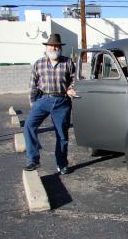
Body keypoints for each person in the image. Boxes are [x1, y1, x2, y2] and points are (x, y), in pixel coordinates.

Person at [23, 33, 76, 174]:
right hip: (43, 100)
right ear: (47, 47)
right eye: (51, 45)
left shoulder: (68, 62)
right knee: (29, 125)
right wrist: (33, 102)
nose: (54, 48)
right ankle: (33, 160)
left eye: (56, 46)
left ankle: (62, 164)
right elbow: (32, 84)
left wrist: (70, 89)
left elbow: (74, 79)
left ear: (60, 48)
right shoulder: (39, 63)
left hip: (62, 101)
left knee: (62, 135)